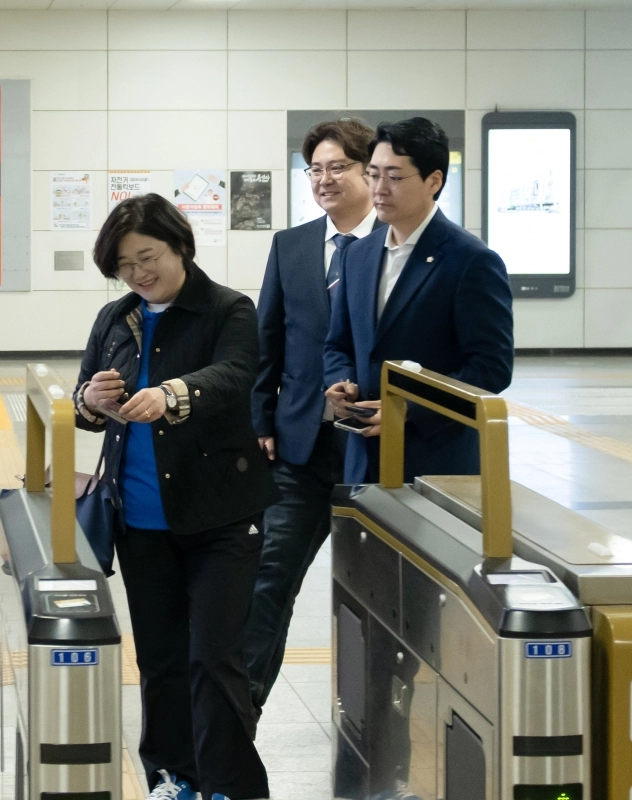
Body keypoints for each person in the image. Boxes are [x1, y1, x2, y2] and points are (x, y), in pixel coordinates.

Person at [74, 193, 278, 800]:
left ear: (179, 245)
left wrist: (172, 394)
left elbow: (237, 374)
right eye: (124, 264)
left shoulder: (227, 309)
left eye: (148, 256)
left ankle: (231, 787)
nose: (139, 273)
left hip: (220, 519)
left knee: (214, 661)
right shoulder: (116, 318)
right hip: (139, 520)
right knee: (160, 662)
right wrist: (94, 399)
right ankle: (173, 777)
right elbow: (86, 403)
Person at [245, 118, 382, 718]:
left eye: (338, 167)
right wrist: (261, 420)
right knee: (266, 583)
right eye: (315, 170)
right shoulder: (292, 245)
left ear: (367, 172)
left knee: (376, 599)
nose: (324, 180)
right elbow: (265, 341)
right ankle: (235, 724)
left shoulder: (395, 246)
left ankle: (379, 734)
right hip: (298, 449)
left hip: (377, 454)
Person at [324, 117, 514, 483]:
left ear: (434, 180)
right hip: (364, 459)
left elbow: (491, 367)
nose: (379, 188)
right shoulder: (358, 255)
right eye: (373, 175)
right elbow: (338, 343)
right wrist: (341, 381)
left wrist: (410, 410)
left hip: (435, 459)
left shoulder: (470, 260)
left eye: (394, 177)